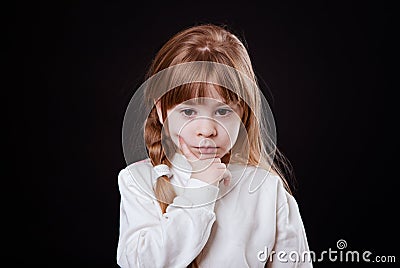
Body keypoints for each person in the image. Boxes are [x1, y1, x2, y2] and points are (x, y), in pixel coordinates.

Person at [117, 24, 312, 267]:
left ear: (243, 114)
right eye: (188, 111)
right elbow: (142, 262)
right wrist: (201, 189)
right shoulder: (139, 181)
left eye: (222, 111)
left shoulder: (266, 191)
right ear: (160, 110)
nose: (207, 130)